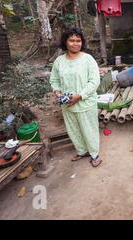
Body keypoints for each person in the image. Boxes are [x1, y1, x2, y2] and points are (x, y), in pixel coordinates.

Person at [49, 28, 102, 167]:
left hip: (85, 102)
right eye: (72, 40)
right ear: (65, 42)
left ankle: (94, 154)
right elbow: (54, 80)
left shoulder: (88, 59)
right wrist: (58, 93)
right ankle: (82, 151)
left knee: (89, 129)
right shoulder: (59, 61)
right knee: (73, 129)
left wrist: (80, 96)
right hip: (67, 104)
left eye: (78, 41)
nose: (75, 43)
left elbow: (94, 81)